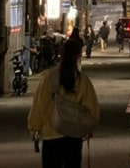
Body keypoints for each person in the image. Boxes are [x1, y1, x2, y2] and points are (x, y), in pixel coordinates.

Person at [27, 37, 99, 168]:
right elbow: (92, 108)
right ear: (78, 56)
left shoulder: (48, 78)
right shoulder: (83, 80)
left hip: (51, 135)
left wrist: (34, 128)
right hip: (74, 135)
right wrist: (89, 127)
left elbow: (39, 104)